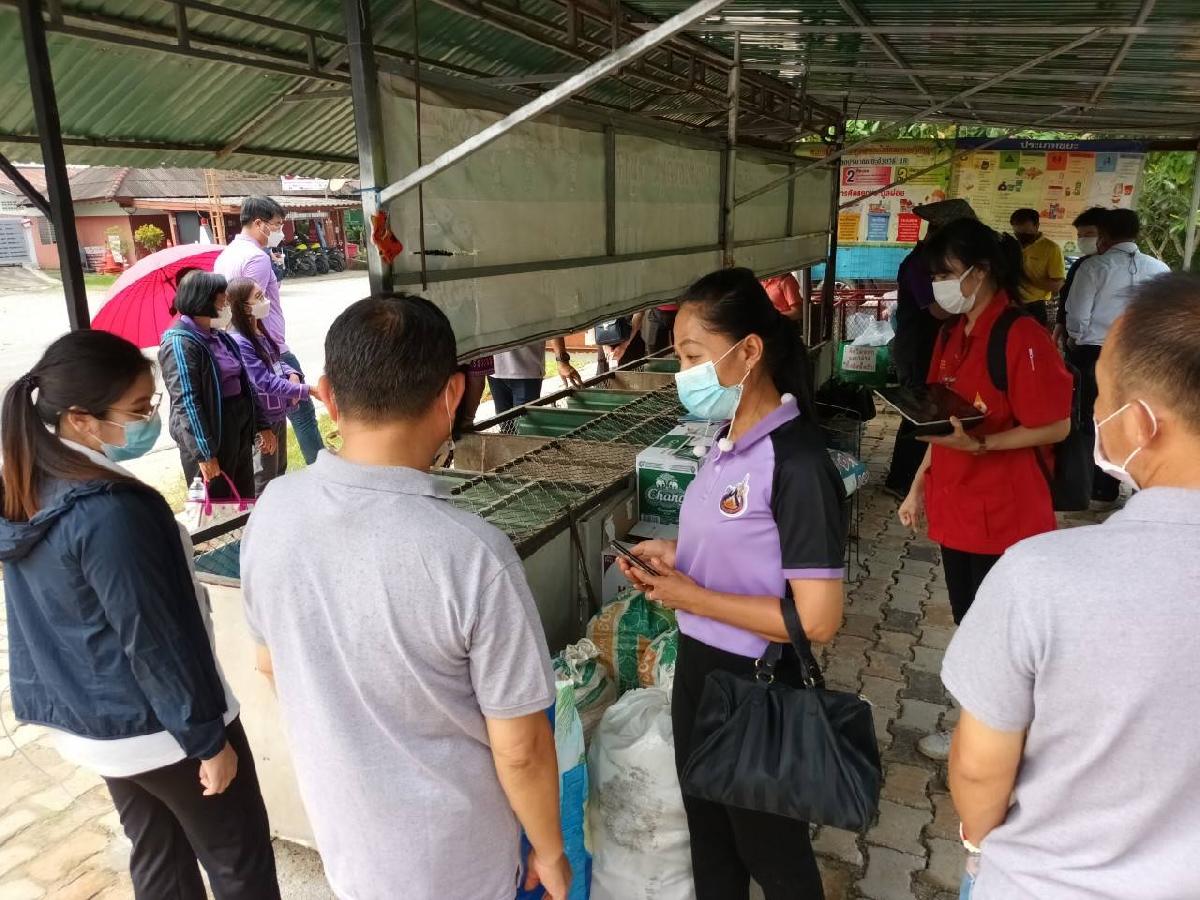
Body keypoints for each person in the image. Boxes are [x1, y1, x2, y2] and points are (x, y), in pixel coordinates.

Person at [240, 295, 570, 900]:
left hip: (351, 851)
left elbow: (269, 664)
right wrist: (550, 851)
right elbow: (521, 748)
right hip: (462, 866)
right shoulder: (473, 553)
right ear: (452, 395)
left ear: (327, 396)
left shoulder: (274, 511)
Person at [942, 273, 1200, 900]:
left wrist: (977, 844)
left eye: (1102, 394)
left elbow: (979, 770)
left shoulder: (1043, 578)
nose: (1094, 413)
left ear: (1141, 423)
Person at [0, 331, 279, 900]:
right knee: (240, 864)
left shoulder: (36, 482)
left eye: (151, 404)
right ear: (81, 419)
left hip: (102, 723)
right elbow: (153, 637)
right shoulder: (109, 511)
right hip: (167, 727)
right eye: (136, 409)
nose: (149, 419)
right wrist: (207, 741)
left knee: (159, 857)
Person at [618, 268, 846, 900]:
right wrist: (676, 556)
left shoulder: (797, 463)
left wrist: (690, 596)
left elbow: (817, 620)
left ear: (749, 351)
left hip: (757, 684)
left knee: (772, 856)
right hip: (699, 671)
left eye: (694, 356)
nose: (683, 373)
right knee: (711, 843)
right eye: (679, 358)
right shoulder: (724, 443)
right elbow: (742, 549)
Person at [897, 218, 1073, 761]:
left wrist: (984, 446)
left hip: (1005, 512)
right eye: (935, 276)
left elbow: (1056, 425)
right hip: (959, 509)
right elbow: (940, 419)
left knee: (999, 631)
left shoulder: (1021, 336)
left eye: (947, 274)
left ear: (982, 271)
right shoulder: (952, 335)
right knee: (970, 621)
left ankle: (995, 739)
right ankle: (983, 728)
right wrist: (917, 485)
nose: (940, 286)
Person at [1066, 208, 1170, 507]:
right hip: (1143, 353)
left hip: (1097, 351)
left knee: (1095, 419)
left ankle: (1100, 488)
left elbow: (1078, 316)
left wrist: (1075, 338)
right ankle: (1138, 484)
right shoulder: (1159, 268)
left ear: (1104, 235)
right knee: (1138, 417)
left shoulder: (1094, 267)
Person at [214, 196, 324, 464]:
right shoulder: (256, 258)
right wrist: (271, 352)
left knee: (268, 418)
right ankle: (321, 468)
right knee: (301, 414)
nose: (280, 231)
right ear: (258, 223)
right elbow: (250, 308)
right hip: (268, 347)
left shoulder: (226, 255)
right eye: (276, 225)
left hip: (247, 345)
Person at [886, 199, 976, 497]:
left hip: (932, 345)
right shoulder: (920, 265)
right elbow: (938, 311)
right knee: (919, 413)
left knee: (931, 412)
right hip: (917, 347)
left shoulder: (935, 261)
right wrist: (976, 301)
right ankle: (901, 481)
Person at [160, 271, 275, 500]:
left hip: (237, 431)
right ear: (204, 301)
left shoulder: (221, 338)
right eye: (222, 300)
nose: (226, 305)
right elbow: (187, 401)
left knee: (243, 500)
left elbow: (245, 384)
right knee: (216, 506)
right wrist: (204, 452)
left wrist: (262, 424)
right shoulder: (179, 343)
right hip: (210, 436)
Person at [226, 278, 314, 494]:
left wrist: (293, 374)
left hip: (277, 412)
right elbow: (263, 380)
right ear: (243, 307)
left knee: (278, 471)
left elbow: (275, 361)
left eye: (263, 295)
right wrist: (306, 390)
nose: (265, 300)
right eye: (258, 297)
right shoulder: (240, 341)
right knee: (265, 479)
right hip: (262, 418)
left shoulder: (258, 331)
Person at [1053, 206, 1107, 347]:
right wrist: (1059, 325)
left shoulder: (1119, 267)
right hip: (1075, 340)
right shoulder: (1080, 264)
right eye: (1080, 236)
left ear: (1106, 234)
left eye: (1089, 234)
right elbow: (1066, 297)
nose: (1083, 240)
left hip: (1102, 342)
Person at [490, 336, 582, 414]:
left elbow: (552, 324)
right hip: (494, 372)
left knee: (525, 423)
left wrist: (562, 361)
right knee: (504, 424)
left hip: (527, 372)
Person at [1009, 208, 1065, 325]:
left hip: (1035, 306)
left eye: (1026, 233)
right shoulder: (1011, 246)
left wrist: (1026, 277)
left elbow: (1057, 285)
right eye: (1018, 233)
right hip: (1010, 303)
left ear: (1037, 226)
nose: (1022, 237)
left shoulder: (1051, 249)